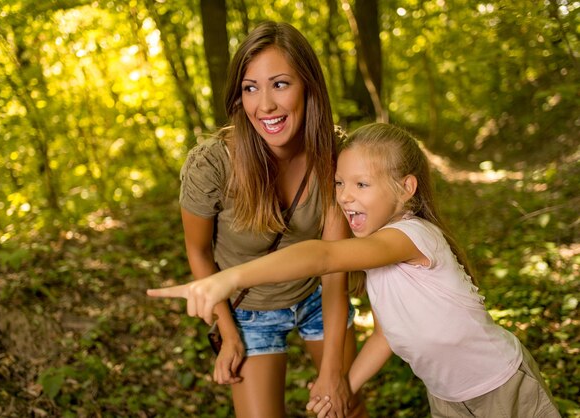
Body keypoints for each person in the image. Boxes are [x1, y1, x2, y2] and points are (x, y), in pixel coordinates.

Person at [148, 123, 561, 418]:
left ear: (407, 189)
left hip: (502, 384)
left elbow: (325, 257)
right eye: (340, 184)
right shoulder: (375, 258)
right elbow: (384, 336)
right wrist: (343, 384)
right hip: (449, 398)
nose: (346, 198)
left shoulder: (412, 236)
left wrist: (230, 277)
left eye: (362, 185)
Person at [149, 21, 367, 418]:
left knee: (345, 408)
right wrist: (228, 333)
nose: (264, 105)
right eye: (251, 88)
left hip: (318, 295)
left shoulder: (335, 155)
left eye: (280, 84)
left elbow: (334, 267)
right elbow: (199, 253)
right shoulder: (212, 164)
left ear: (309, 87)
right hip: (249, 309)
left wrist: (334, 372)